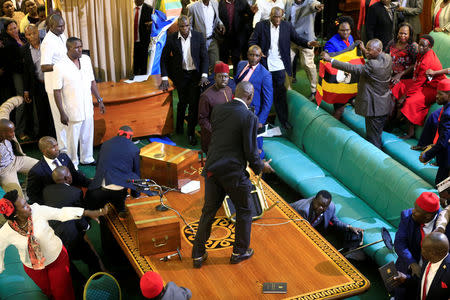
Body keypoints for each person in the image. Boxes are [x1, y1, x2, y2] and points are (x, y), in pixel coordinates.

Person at [191, 81, 274, 268]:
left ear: (234, 92)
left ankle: (197, 254)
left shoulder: (219, 110)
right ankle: (239, 252)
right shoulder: (249, 117)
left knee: (208, 212)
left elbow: (222, 137)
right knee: (245, 211)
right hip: (234, 173)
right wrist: (261, 166)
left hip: (213, 169)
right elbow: (251, 151)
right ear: (250, 96)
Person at [0, 189, 106, 300]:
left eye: (26, 202)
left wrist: (87, 212)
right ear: (16, 214)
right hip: (34, 267)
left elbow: (60, 213)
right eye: (24, 206)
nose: (29, 206)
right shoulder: (6, 232)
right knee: (49, 292)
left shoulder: (37, 210)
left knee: (62, 294)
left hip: (57, 258)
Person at [249, 7, 319, 130]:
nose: (277, 20)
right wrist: (258, 52)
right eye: (275, 17)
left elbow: (296, 39)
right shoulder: (261, 26)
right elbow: (252, 42)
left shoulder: (287, 26)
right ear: (270, 16)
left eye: (279, 17)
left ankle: (283, 120)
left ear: (283, 16)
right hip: (265, 63)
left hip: (280, 64)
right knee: (261, 93)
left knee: (280, 94)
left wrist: (308, 43)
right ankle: (258, 122)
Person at [321, 39, 392, 149]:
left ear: (379, 50)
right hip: (383, 104)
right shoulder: (387, 57)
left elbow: (352, 68)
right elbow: (371, 55)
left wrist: (330, 60)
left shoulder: (373, 65)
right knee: (376, 134)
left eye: (369, 50)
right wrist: (363, 49)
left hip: (374, 108)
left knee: (373, 139)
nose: (367, 52)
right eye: (366, 49)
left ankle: (375, 161)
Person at [52, 37, 105, 168]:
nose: (80, 49)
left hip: (87, 106)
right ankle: (73, 163)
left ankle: (87, 158)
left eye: (81, 46)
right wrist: (61, 113)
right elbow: (57, 91)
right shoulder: (59, 66)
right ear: (68, 49)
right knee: (72, 140)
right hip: (72, 109)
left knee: (87, 134)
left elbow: (92, 81)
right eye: (76, 47)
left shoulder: (86, 60)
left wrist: (99, 100)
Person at [43, 166, 104, 276]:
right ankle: (97, 278)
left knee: (68, 266)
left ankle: (80, 284)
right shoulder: (75, 192)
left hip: (52, 239)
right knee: (92, 258)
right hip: (70, 237)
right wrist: (86, 227)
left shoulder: (46, 191)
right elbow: (79, 214)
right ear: (67, 178)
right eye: (70, 174)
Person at [159, 15, 209, 146]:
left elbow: (204, 57)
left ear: (190, 25)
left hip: (195, 76)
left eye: (187, 26)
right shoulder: (171, 38)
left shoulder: (198, 37)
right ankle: (179, 126)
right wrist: (164, 77)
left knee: (193, 105)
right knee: (182, 102)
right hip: (180, 75)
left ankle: (191, 133)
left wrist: (204, 75)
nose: (184, 28)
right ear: (178, 27)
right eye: (181, 26)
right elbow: (163, 58)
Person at [393, 192, 447, 299]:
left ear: (428, 216)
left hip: (431, 270)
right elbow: (399, 243)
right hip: (408, 265)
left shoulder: (444, 227)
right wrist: (413, 264)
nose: (413, 211)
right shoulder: (407, 216)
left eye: (417, 211)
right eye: (414, 207)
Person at [391, 35, 446, 139]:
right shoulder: (422, 53)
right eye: (419, 44)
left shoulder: (427, 61)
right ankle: (394, 117)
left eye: (423, 46)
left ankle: (410, 132)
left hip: (433, 87)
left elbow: (418, 83)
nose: (420, 47)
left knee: (410, 101)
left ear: (430, 47)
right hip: (422, 82)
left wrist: (404, 97)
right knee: (399, 85)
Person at [85, 126, 141, 218]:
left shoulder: (105, 144)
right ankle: (121, 209)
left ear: (118, 134)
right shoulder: (134, 149)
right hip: (119, 193)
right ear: (130, 138)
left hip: (100, 190)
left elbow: (98, 166)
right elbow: (136, 174)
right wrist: (135, 195)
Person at [290, 190, 364, 251]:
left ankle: (351, 252)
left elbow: (334, 220)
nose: (320, 208)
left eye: (324, 206)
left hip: (314, 226)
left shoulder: (330, 207)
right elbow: (299, 232)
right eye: (318, 204)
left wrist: (350, 227)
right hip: (291, 223)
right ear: (314, 199)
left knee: (353, 233)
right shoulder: (303, 210)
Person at [26, 136, 91, 205]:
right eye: (53, 147)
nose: (57, 149)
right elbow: (32, 195)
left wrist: (93, 184)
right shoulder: (36, 171)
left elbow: (75, 176)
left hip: (72, 195)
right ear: (44, 150)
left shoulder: (64, 157)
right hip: (54, 203)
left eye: (57, 145)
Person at [393, 232, 450, 300]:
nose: (421, 251)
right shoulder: (428, 260)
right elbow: (423, 283)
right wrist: (405, 279)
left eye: (423, 249)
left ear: (433, 253)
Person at [21, 24, 55, 139]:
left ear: (38, 32)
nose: (33, 36)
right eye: (29, 34)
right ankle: (44, 137)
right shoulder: (24, 49)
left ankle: (55, 135)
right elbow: (26, 71)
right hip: (38, 84)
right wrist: (26, 90)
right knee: (41, 111)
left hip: (53, 82)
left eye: (34, 33)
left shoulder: (46, 44)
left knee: (54, 110)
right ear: (26, 36)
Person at [40, 14, 68, 152]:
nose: (62, 28)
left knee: (67, 116)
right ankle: (63, 149)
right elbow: (44, 66)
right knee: (59, 119)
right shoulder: (47, 42)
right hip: (53, 87)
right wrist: (61, 65)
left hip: (64, 83)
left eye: (63, 25)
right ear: (51, 27)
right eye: (59, 26)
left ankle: (70, 147)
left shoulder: (62, 36)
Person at [286, 0, 324, 100]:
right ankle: (288, 90)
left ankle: (314, 90)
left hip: (307, 39)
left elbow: (314, 6)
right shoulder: (289, 2)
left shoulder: (310, 1)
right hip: (291, 39)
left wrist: (317, 7)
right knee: (286, 62)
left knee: (307, 64)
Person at [1, 19, 29, 140]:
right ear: (7, 31)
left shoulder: (23, 38)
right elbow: (11, 63)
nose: (14, 30)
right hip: (17, 74)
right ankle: (19, 131)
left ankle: (27, 129)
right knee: (20, 101)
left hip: (28, 73)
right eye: (11, 29)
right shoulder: (8, 43)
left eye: (15, 27)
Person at [419, 78, 450, 185]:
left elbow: (443, 142)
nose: (437, 96)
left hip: (447, 160)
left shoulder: (447, 114)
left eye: (441, 94)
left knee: (441, 187)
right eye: (437, 93)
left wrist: (427, 155)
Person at [198, 61, 233, 153]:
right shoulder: (206, 96)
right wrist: (215, 132)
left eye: (226, 76)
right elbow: (202, 119)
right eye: (220, 76)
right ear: (215, 77)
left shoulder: (229, 90)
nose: (223, 79)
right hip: (212, 137)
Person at [235, 45, 273, 127]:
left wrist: (261, 121)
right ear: (247, 54)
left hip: (251, 110)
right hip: (236, 106)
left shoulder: (265, 75)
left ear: (260, 57)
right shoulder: (241, 64)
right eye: (251, 55)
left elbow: (268, 100)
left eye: (257, 56)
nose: (253, 58)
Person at [0, 117, 37, 196]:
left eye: (13, 130)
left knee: (42, 168)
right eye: (11, 132)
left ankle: (26, 188)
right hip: (4, 170)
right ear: (1, 133)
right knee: (18, 198)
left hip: (16, 160)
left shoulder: (4, 121)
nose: (14, 134)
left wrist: (21, 103)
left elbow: (6, 107)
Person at [187, 0, 224, 74]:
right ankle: (203, 84)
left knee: (215, 65)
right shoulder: (192, 7)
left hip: (212, 39)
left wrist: (221, 24)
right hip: (199, 42)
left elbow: (216, 18)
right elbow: (189, 25)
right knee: (202, 67)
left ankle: (213, 84)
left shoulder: (215, 3)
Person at [218, 0, 252, 75]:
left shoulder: (242, 2)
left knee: (236, 59)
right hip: (224, 37)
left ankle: (236, 80)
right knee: (223, 60)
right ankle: (225, 81)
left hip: (237, 37)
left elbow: (250, 16)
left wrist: (244, 29)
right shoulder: (219, 3)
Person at [133, 0, 152, 75]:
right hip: (131, 42)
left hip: (143, 42)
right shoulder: (129, 9)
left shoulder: (149, 9)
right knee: (134, 65)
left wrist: (151, 24)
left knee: (143, 65)